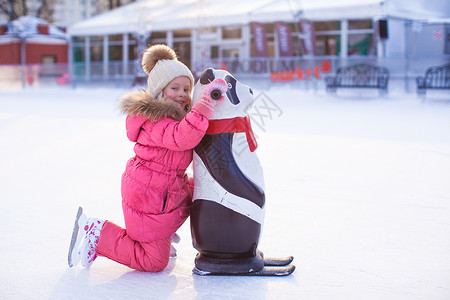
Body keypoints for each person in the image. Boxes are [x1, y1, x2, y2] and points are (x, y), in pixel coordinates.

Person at [68, 44, 228, 272]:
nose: (182, 94)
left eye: (186, 89)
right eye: (175, 88)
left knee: (200, 193)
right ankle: (99, 233)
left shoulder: (177, 117)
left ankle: (162, 234)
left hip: (163, 190)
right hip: (148, 196)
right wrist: (204, 106)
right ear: (160, 91)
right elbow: (183, 138)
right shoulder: (155, 120)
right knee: (154, 262)